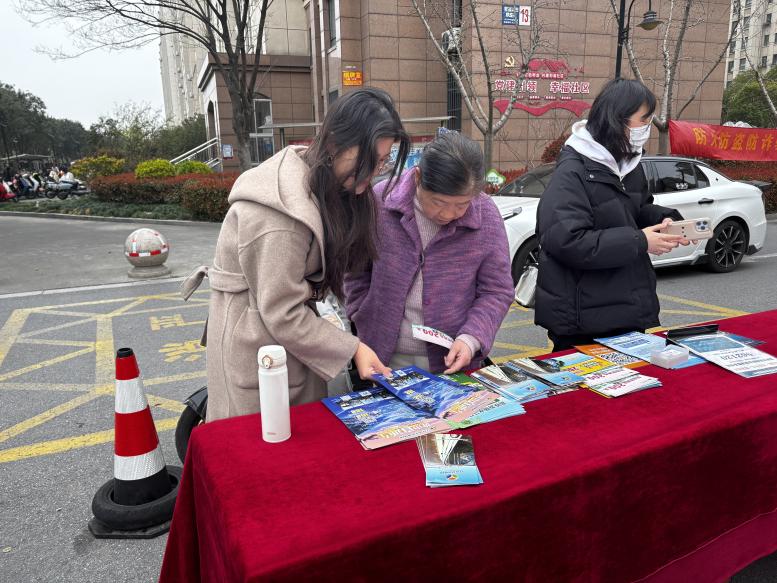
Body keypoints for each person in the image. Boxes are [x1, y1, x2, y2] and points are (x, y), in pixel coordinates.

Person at [188, 88, 410, 422]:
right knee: (264, 439)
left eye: (382, 162)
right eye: (367, 160)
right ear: (334, 143)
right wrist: (353, 348)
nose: (374, 172)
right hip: (258, 345)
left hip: (281, 338)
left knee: (297, 434)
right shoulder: (281, 218)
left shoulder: (322, 179)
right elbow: (283, 311)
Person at [535, 78, 690, 352]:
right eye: (643, 119)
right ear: (617, 119)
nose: (647, 128)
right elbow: (567, 241)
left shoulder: (628, 163)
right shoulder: (573, 170)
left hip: (626, 308)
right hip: (583, 320)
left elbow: (637, 209)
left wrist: (666, 220)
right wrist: (640, 241)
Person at [344, 131, 514, 375]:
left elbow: (497, 290)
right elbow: (355, 272)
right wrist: (362, 315)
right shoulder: (379, 202)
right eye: (438, 202)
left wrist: (471, 338)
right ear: (418, 178)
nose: (448, 214)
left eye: (461, 205)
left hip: (452, 360)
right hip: (382, 355)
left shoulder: (486, 215)